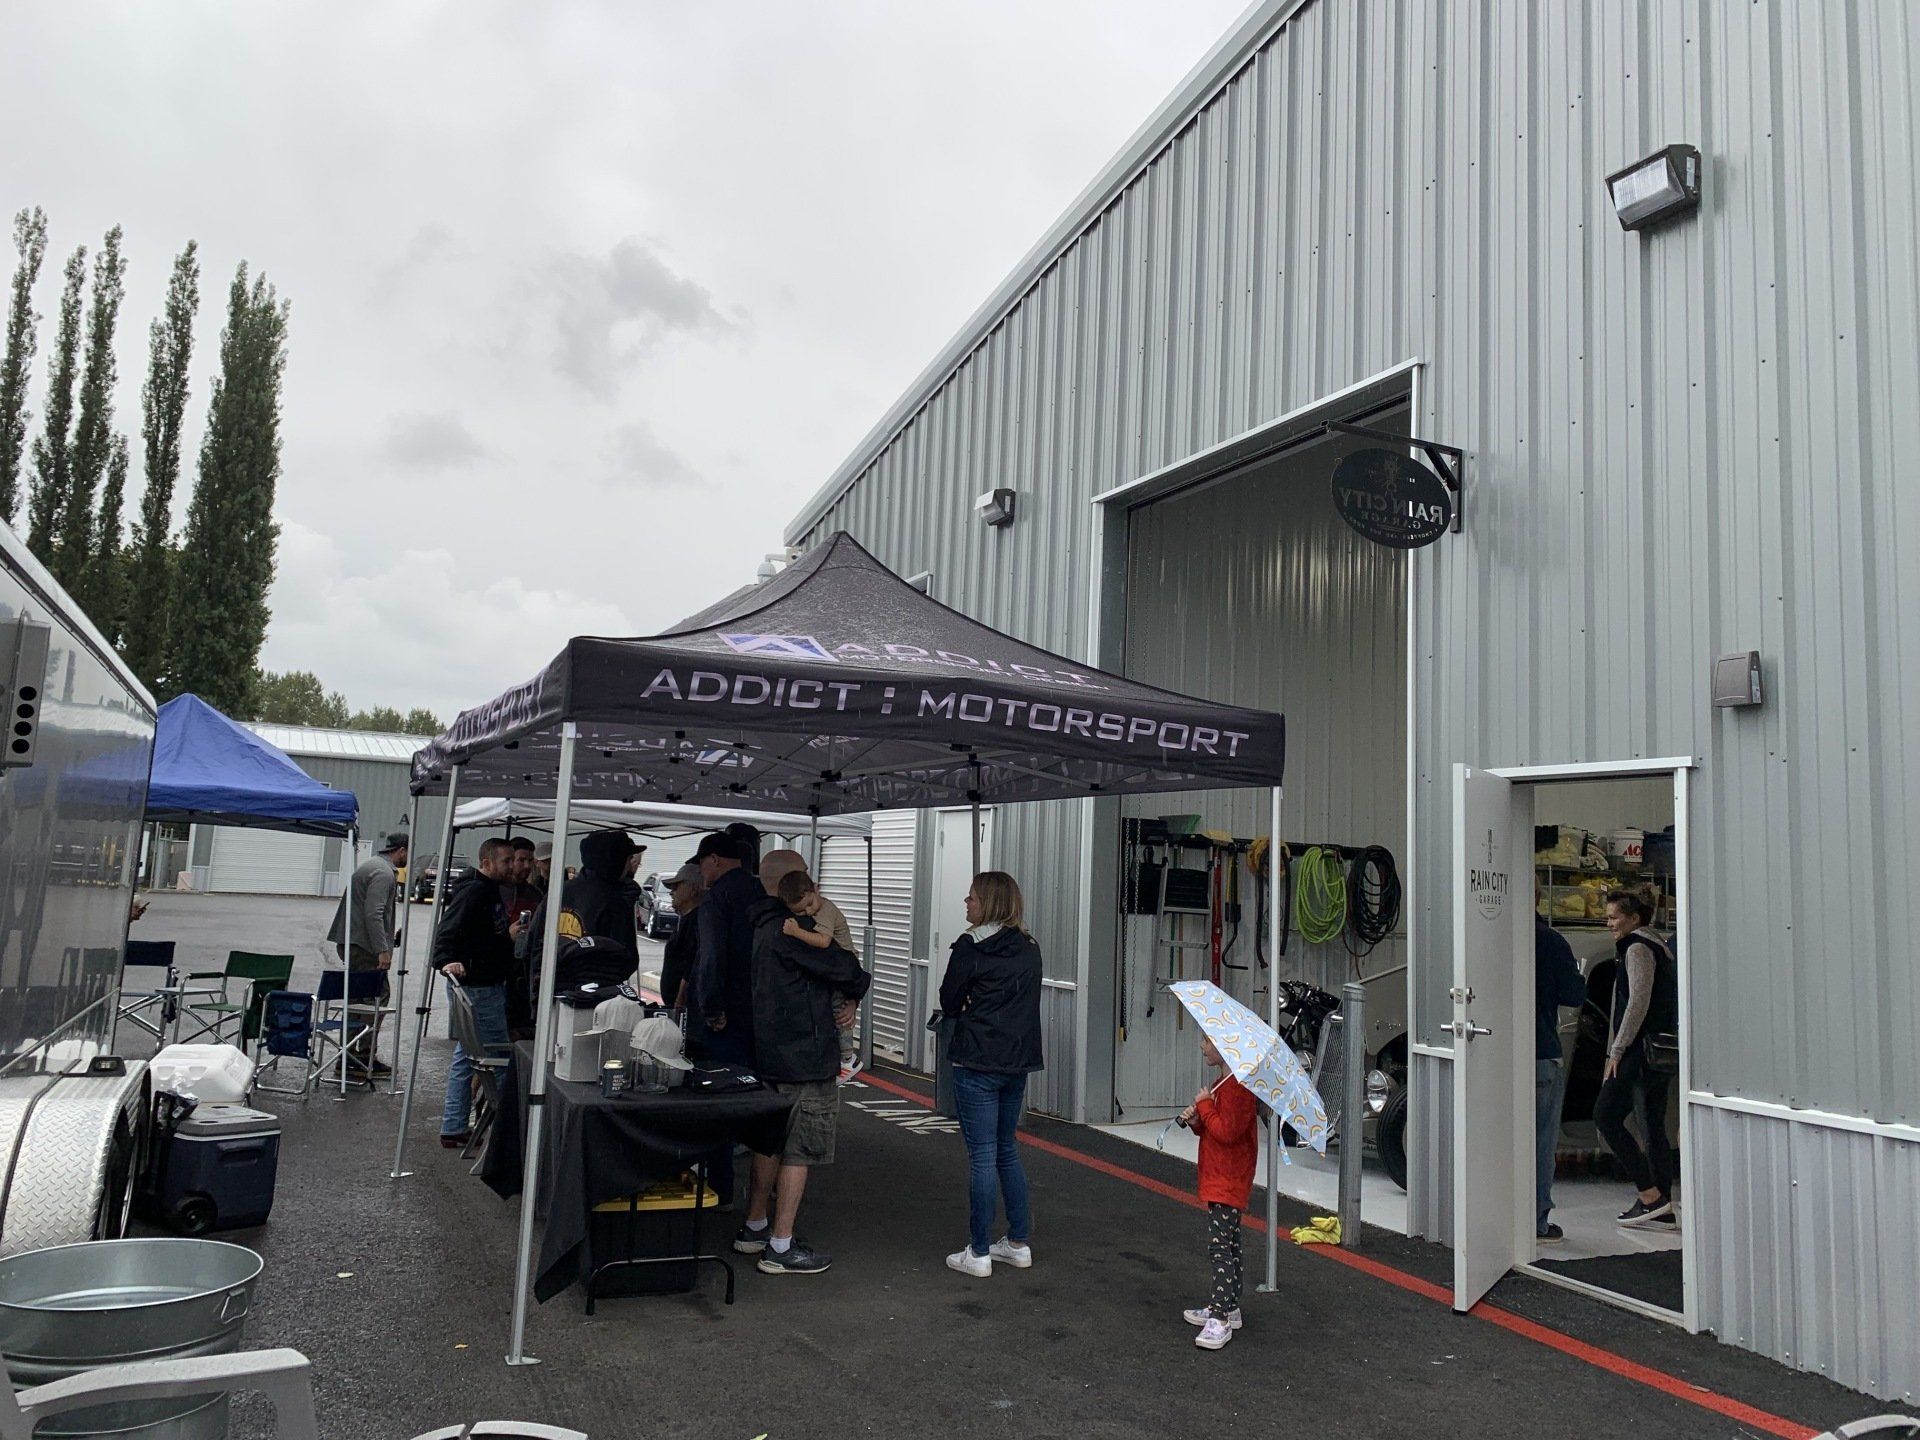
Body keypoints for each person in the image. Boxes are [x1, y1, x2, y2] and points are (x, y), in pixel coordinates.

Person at [733, 862, 871, 1275]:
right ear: (788, 888)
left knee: (768, 1142)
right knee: (800, 1147)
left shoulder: (758, 926)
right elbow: (847, 969)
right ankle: (780, 1245)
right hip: (806, 1055)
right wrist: (853, 991)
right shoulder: (790, 930)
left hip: (770, 1052)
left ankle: (754, 1226)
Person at [938, 871, 1042, 1279]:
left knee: (981, 1155)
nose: (966, 903)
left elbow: (948, 1001)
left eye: (972, 898)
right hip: (1017, 1061)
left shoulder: (969, 946)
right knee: (1006, 1149)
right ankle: (1018, 1242)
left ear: (989, 904)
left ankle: (978, 1251)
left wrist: (965, 1002)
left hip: (977, 1060)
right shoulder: (1030, 947)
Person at [1594, 888, 1680, 1228]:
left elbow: (1636, 1003)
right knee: (1652, 1124)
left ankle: (1649, 1194)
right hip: (1658, 1050)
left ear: (1634, 918)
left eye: (1615, 917)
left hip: (1638, 1049)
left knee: (1606, 1114)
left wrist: (1616, 1050)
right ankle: (1662, 1205)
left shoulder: (1638, 948)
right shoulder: (1659, 945)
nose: (1609, 923)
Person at [689, 832, 762, 1204]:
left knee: (719, 1102)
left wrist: (711, 1008)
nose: (699, 870)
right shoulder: (761, 893)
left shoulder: (716, 899)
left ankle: (720, 1188)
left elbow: (712, 957)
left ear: (715, 859)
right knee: (756, 1104)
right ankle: (759, 1201)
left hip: (726, 1019)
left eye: (701, 862)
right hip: (760, 1014)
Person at [430, 837, 517, 1148]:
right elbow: (447, 931)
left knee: (467, 1057)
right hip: (479, 988)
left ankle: (454, 1125)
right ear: (487, 862)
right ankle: (507, 1130)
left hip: (484, 983)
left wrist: (505, 937)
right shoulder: (475, 891)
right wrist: (445, 960)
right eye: (506, 861)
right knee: (498, 1058)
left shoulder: (488, 891)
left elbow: (482, 937)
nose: (511, 866)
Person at [1178, 1032, 1258, 1350]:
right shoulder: (1223, 1084)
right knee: (1230, 1244)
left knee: (1220, 1249)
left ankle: (1220, 1317)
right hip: (1220, 1175)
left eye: (1207, 1041)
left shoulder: (1237, 1088)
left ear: (1225, 1049)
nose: (1202, 1046)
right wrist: (1198, 1118)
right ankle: (1228, 1306)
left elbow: (1227, 1132)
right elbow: (1214, 1128)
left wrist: (1205, 1105)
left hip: (1228, 1178)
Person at [761, 849, 862, 1081]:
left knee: (841, 1012)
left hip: (844, 965)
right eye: (802, 910)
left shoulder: (821, 912)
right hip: (808, 1050)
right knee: (842, 1012)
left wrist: (797, 931)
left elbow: (824, 942)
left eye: (809, 905)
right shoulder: (787, 922)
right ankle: (847, 1057)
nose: (808, 911)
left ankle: (848, 1058)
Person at [326, 831, 408, 1075]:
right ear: (401, 850)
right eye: (408, 853)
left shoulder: (371, 865)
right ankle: (361, 1055)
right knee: (377, 996)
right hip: (363, 947)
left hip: (354, 942)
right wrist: (383, 949)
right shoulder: (383, 873)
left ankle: (350, 1055)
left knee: (357, 998)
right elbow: (374, 913)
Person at [1534, 908, 1589, 1243]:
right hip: (1541, 1052)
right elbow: (1575, 994)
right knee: (1540, 1142)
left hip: (1491, 1054)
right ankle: (1537, 1220)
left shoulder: (1489, 938)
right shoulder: (1552, 942)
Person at [655, 861, 704, 1010]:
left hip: (684, 1007)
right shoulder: (685, 919)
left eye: (677, 887)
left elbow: (689, 964)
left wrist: (680, 999)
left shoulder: (696, 922)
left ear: (693, 890)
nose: (671, 892)